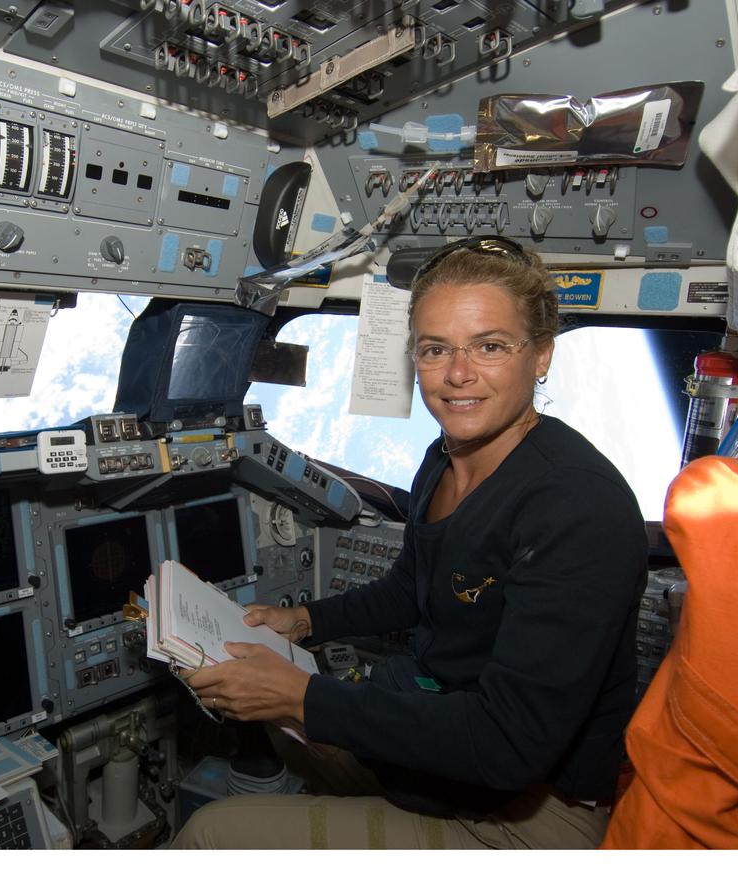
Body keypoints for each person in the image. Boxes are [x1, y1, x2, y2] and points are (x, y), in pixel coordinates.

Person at [173, 236, 649, 849]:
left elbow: (508, 744)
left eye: (491, 346)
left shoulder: (578, 507)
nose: (457, 375)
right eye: (435, 350)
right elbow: (413, 587)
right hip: (443, 745)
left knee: (212, 835)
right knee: (268, 713)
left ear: (541, 357)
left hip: (528, 808)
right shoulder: (446, 458)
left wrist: (305, 695)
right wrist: (301, 621)